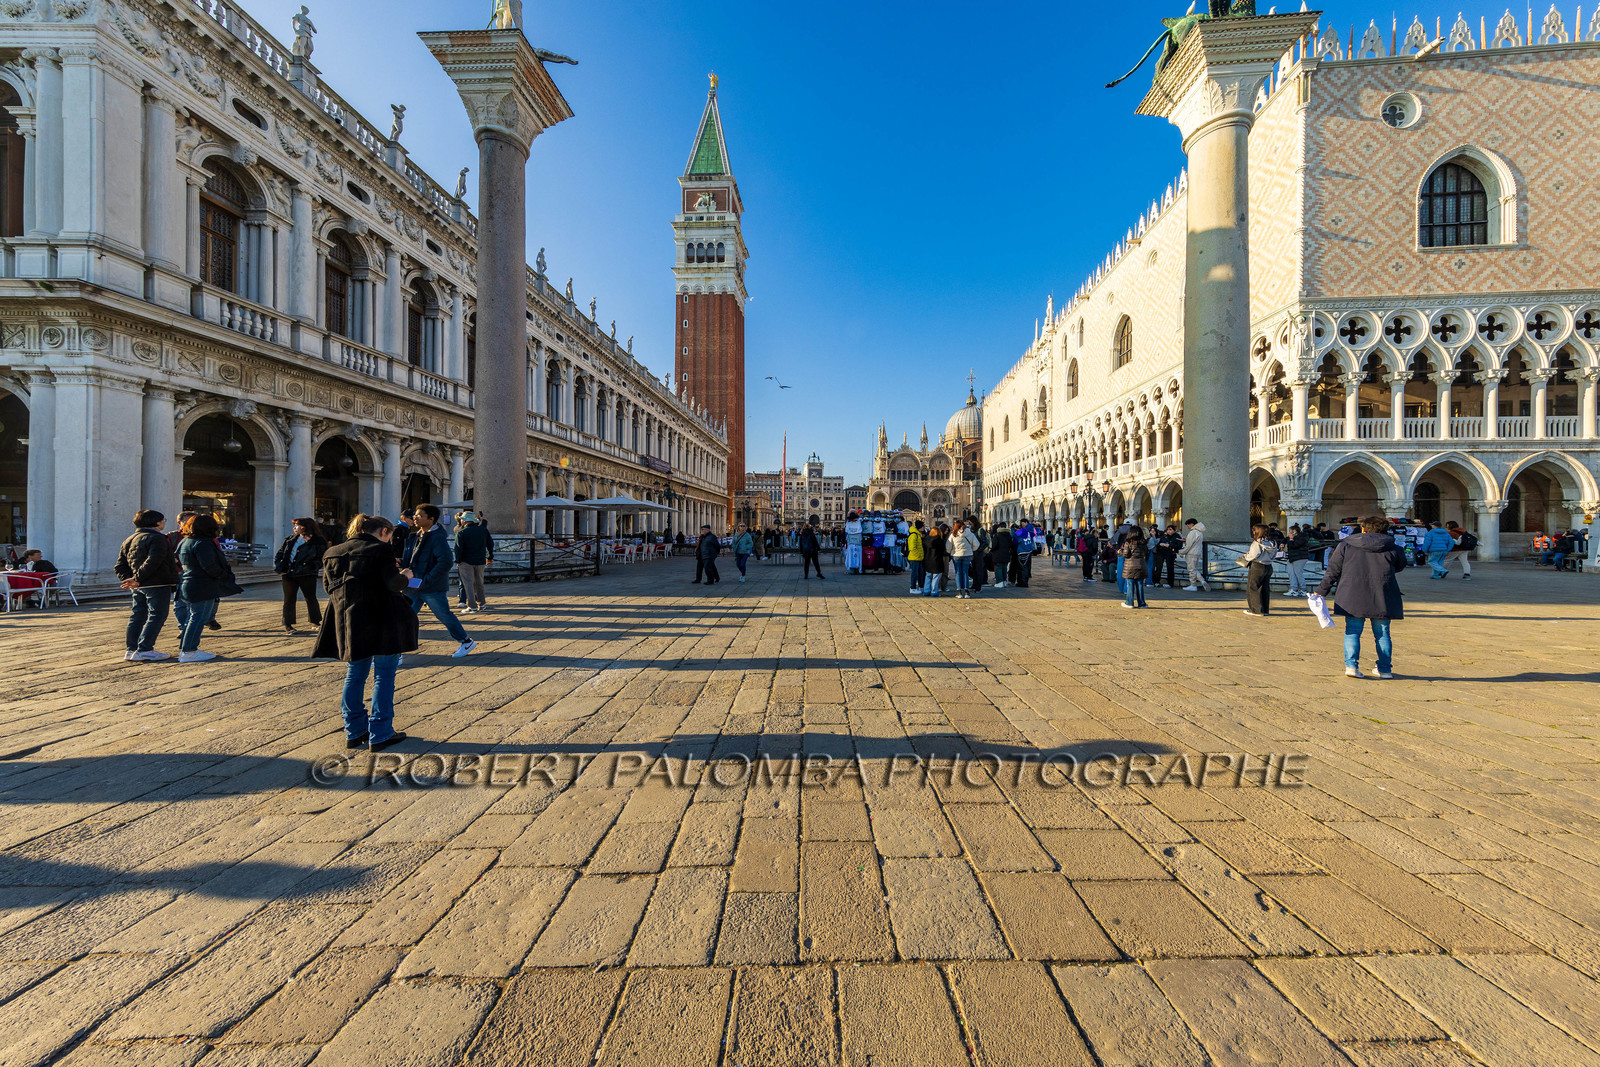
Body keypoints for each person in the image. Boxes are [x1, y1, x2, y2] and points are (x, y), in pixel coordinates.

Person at [314, 513, 418, 751]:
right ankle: (380, 732)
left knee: (355, 673)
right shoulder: (380, 550)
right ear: (384, 532)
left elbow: (329, 587)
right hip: (382, 618)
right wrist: (405, 576)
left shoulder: (333, 552)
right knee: (383, 674)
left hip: (348, 619)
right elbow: (393, 584)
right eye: (390, 536)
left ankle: (354, 730)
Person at [1316, 514, 1408, 679]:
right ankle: (1385, 669)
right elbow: (1400, 566)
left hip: (1353, 593)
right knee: (1382, 632)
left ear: (1363, 529)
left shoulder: (1346, 545)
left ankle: (1351, 667)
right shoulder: (1394, 547)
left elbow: (1333, 570)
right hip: (1383, 593)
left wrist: (1322, 590)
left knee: (1352, 631)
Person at [401, 504, 477, 657]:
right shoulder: (416, 535)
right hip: (412, 585)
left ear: (431, 519)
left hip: (431, 587)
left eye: (420, 516)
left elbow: (445, 562)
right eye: (415, 515)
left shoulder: (437, 538)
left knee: (444, 615)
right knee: (403, 616)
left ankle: (466, 641)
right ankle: (397, 652)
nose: (415, 518)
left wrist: (427, 579)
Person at [115, 510, 179, 663]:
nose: (164, 522)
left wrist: (130, 580)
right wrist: (136, 579)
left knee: (138, 615)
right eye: (163, 520)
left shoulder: (129, 539)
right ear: (156, 522)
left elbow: (119, 566)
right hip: (157, 583)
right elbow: (153, 561)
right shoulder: (158, 538)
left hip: (139, 586)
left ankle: (131, 649)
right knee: (157, 615)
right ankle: (145, 649)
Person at [175, 514, 240, 662]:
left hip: (188, 582)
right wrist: (224, 575)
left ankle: (186, 648)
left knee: (192, 617)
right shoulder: (203, 543)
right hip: (202, 584)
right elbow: (209, 566)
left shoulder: (185, 541)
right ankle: (189, 651)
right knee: (199, 617)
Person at [274, 518, 327, 633]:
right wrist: (279, 565)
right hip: (289, 573)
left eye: (297, 525)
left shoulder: (317, 541)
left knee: (310, 597)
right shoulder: (290, 539)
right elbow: (280, 553)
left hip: (307, 574)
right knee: (289, 599)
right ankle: (288, 624)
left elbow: (322, 557)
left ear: (304, 527)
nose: (294, 528)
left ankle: (316, 621)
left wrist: (313, 566)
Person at [454, 510, 494, 613]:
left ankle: (472, 606)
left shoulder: (461, 533)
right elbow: (490, 544)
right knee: (479, 582)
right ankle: (482, 604)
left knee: (468, 583)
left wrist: (458, 560)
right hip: (480, 560)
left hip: (466, 561)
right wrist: (490, 556)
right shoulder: (483, 530)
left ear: (464, 521)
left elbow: (458, 549)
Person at [1239, 523, 1275, 617]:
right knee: (1264, 588)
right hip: (1268, 565)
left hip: (1258, 566)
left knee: (1253, 587)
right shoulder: (1272, 542)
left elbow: (1254, 555)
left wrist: (1246, 556)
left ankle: (1256, 610)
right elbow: (1274, 554)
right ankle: (1265, 609)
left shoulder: (1257, 542)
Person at [1119, 524, 1149, 608]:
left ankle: (1129, 602)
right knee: (1140, 585)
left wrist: (1120, 552)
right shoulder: (1143, 543)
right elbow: (1147, 553)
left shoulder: (1128, 543)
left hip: (1130, 566)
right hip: (1141, 566)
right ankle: (1142, 603)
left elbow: (1126, 554)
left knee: (1130, 584)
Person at [948, 520, 977, 598]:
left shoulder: (953, 534)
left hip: (956, 555)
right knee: (965, 572)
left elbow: (948, 546)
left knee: (958, 572)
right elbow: (977, 544)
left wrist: (951, 551)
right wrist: (971, 550)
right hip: (967, 555)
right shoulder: (970, 533)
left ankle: (959, 592)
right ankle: (967, 592)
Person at [1284, 524, 1313, 596]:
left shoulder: (1302, 537)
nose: (1290, 533)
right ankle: (1294, 589)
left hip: (1300, 557)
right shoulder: (1292, 537)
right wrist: (1283, 543)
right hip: (1292, 557)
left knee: (1298, 573)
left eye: (1291, 531)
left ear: (1295, 531)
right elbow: (1285, 539)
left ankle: (1303, 589)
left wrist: (1291, 539)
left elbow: (1294, 545)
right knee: (1292, 573)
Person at [1181, 518, 1209, 591]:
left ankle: (1193, 585)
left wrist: (1182, 552)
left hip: (1191, 553)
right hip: (1197, 553)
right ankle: (1202, 581)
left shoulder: (1192, 532)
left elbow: (1189, 545)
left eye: (1188, 525)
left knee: (1191, 570)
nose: (1187, 527)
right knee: (1194, 569)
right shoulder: (1200, 532)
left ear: (1192, 524)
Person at [923, 522, 947, 597]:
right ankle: (934, 591)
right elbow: (943, 550)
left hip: (928, 560)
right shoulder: (939, 540)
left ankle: (926, 591)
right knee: (936, 577)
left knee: (928, 576)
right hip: (937, 560)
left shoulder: (926, 539)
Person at [990, 523, 1013, 589]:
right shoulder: (1008, 535)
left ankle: (999, 582)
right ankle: (1004, 581)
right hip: (1006, 554)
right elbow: (1011, 545)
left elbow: (994, 545)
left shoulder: (997, 535)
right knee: (1004, 568)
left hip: (998, 554)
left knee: (998, 568)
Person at [906, 521, 926, 595]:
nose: (924, 527)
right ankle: (913, 588)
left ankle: (921, 587)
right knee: (915, 573)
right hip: (914, 558)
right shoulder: (914, 535)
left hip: (919, 557)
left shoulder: (918, 534)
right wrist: (918, 555)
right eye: (923, 526)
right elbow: (912, 548)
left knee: (920, 573)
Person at [970, 523, 989, 595]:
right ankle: (974, 584)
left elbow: (985, 542)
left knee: (979, 570)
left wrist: (979, 550)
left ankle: (978, 586)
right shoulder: (973, 531)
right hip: (974, 553)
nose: (969, 524)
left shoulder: (980, 531)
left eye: (970, 523)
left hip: (979, 554)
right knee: (974, 569)